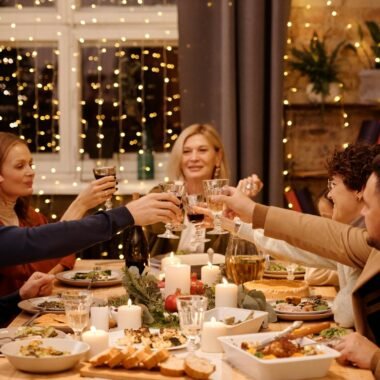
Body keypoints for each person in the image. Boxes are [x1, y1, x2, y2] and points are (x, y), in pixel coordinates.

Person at [214, 154, 380, 378]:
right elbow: (315, 233)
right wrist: (252, 212)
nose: (363, 211)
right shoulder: (370, 244)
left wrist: (375, 358)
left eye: (369, 205)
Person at [0, 132, 118, 297]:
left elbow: (66, 248)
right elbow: (26, 271)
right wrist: (80, 205)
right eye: (20, 166)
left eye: (30, 164)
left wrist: (46, 275)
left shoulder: (28, 215)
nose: (31, 172)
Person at [145, 123, 262, 256]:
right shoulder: (163, 195)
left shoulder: (229, 201)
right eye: (186, 151)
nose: (194, 158)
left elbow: (236, 254)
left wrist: (244, 206)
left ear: (218, 157)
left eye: (202, 150)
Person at [0, 191, 181, 267]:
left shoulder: (28, 215)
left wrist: (19, 297)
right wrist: (127, 214)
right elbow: (38, 242)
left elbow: (55, 246)